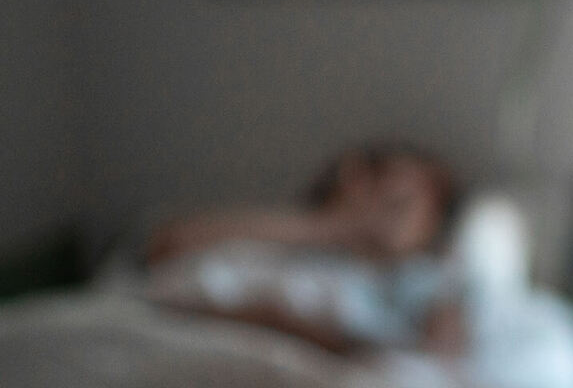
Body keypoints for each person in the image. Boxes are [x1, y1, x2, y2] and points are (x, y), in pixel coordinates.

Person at [142, 141, 467, 354]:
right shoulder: (279, 248)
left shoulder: (429, 280)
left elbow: (438, 367)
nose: (391, 204)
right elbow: (167, 248)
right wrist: (331, 227)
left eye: (409, 202)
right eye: (384, 185)